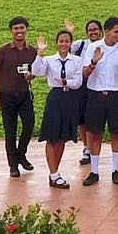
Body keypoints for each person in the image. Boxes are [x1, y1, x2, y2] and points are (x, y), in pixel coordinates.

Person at [80, 16, 118, 186]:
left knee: (116, 133)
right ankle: (94, 171)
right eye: (116, 31)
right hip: (96, 95)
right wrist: (94, 62)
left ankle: (115, 170)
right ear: (107, 31)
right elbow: (85, 73)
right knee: (96, 134)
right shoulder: (93, 47)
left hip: (116, 96)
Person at [31, 30, 84, 189]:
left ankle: (54, 173)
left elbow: (78, 82)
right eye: (61, 41)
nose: (63, 44)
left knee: (62, 137)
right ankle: (53, 173)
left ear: (70, 43)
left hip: (70, 99)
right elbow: (36, 71)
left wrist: (65, 82)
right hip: (55, 98)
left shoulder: (77, 60)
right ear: (56, 43)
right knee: (52, 136)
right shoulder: (48, 60)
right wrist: (39, 54)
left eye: (66, 41)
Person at [0, 16, 38, 178]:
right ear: (11, 31)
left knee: (29, 125)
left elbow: (35, 71)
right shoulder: (2, 51)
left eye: (22, 28)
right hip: (7, 96)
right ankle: (13, 165)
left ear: (26, 29)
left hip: (24, 94)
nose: (19, 31)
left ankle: (21, 154)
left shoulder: (32, 51)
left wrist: (31, 76)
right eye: (16, 28)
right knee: (10, 131)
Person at [66, 18, 102, 165]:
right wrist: (69, 32)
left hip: (98, 84)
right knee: (82, 119)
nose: (93, 32)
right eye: (90, 30)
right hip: (82, 84)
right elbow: (66, 49)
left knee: (93, 118)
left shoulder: (105, 45)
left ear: (101, 31)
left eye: (95, 29)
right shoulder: (81, 44)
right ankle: (86, 147)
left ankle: (93, 148)